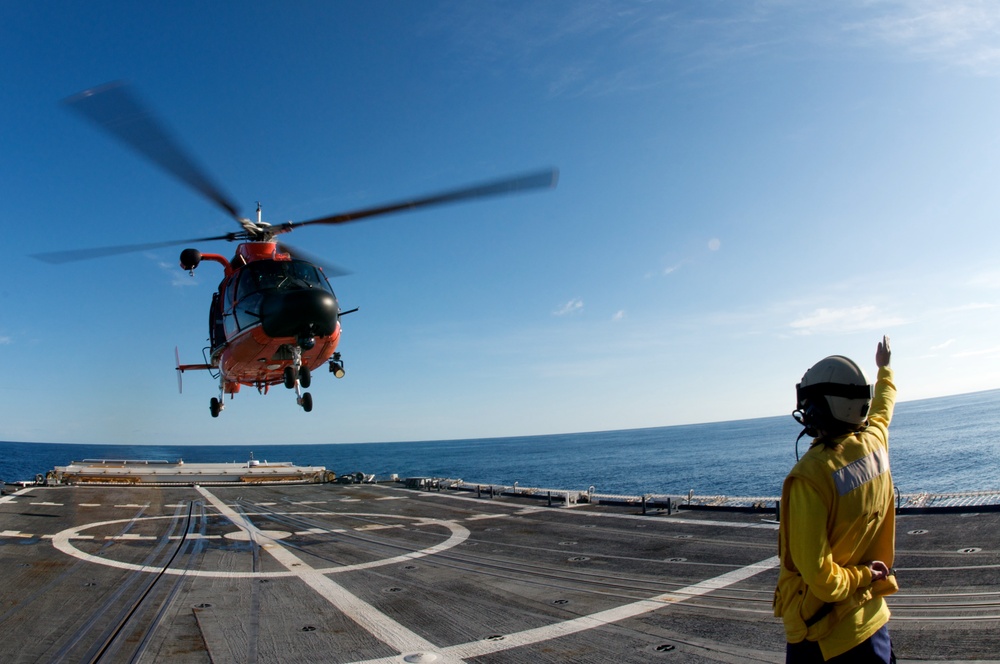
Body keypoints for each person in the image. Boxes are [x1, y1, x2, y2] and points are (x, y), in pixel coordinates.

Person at [774, 336, 898, 663]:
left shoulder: (810, 477)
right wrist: (884, 369)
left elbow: (822, 581)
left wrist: (863, 574)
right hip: (874, 625)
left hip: (823, 637)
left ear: (820, 409)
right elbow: (883, 407)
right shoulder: (876, 442)